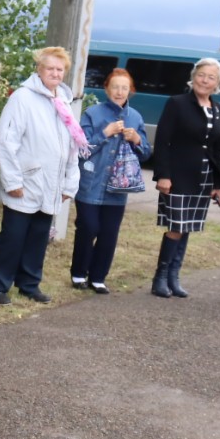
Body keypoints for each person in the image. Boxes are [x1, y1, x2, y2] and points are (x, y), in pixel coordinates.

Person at [0, 46, 83, 305]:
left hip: (52, 183)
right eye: (49, 68)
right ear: (39, 70)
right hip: (26, 181)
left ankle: (29, 283)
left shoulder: (64, 101)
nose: (55, 73)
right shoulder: (23, 98)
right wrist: (13, 181)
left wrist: (69, 185)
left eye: (59, 69)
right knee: (13, 237)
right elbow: (6, 141)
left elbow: (72, 146)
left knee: (39, 236)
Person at [150, 58, 220, 298]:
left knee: (188, 227)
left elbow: (218, 146)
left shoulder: (218, 108)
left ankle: (174, 277)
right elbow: (163, 141)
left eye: (211, 77)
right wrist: (163, 175)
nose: (205, 80)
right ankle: (160, 278)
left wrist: (218, 184)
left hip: (203, 177)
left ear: (218, 83)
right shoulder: (177, 103)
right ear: (193, 77)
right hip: (178, 175)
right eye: (201, 75)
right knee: (176, 226)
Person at [70, 68, 152, 294]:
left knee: (109, 232)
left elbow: (145, 153)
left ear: (130, 91)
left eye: (124, 88)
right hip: (90, 181)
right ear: (106, 88)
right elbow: (80, 149)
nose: (119, 92)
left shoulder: (135, 117)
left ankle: (98, 277)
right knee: (88, 227)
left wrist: (136, 139)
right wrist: (104, 133)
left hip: (118, 187)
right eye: (115, 87)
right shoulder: (92, 114)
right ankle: (78, 273)